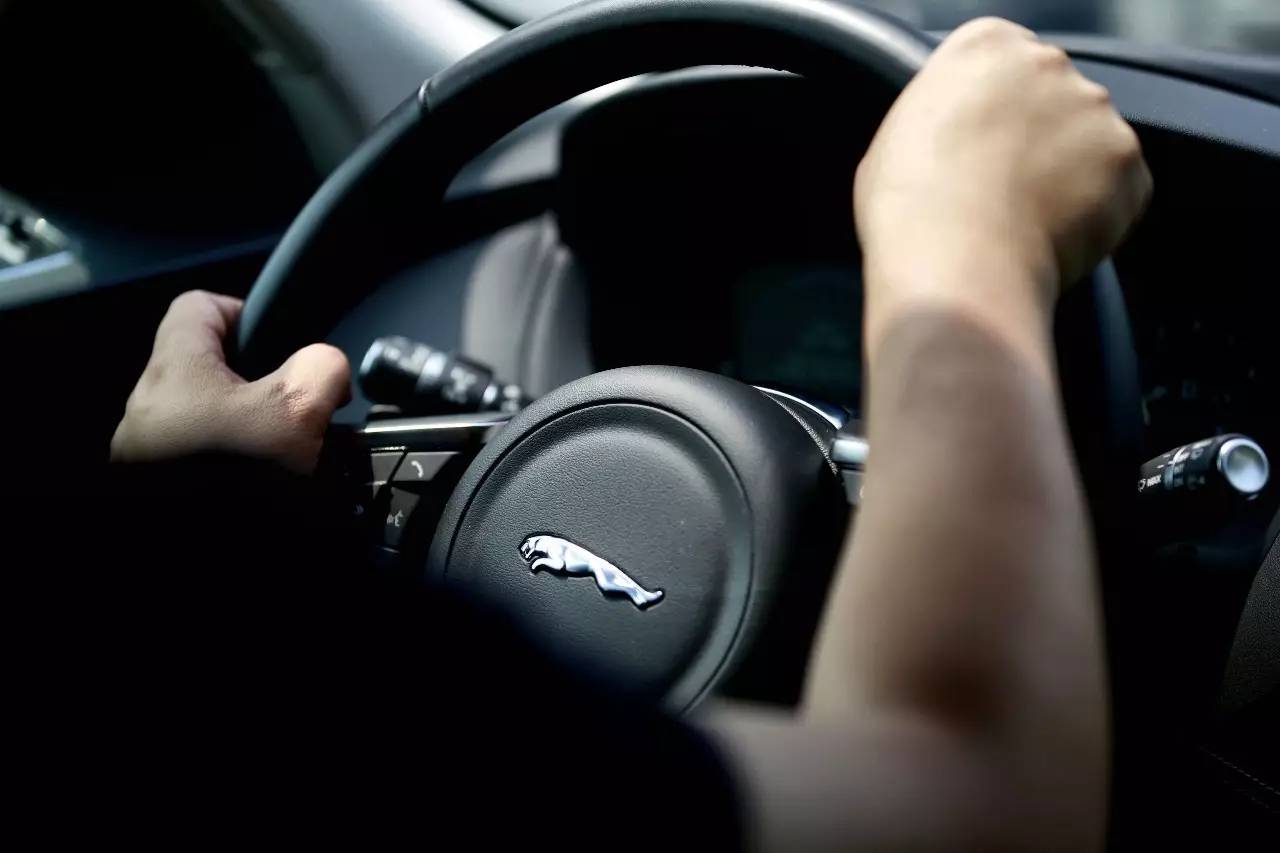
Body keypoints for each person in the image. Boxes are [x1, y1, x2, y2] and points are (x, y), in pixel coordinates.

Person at [19, 19, 1151, 851]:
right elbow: (979, 805)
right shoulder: (213, 642)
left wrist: (194, 519)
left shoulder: (138, 628)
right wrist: (963, 234)